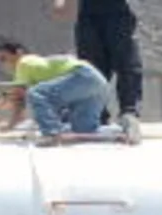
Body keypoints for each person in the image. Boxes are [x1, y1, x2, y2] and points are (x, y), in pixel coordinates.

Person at [0, 37, 117, 143]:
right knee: (83, 130)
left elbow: (18, 100)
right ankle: (118, 137)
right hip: (98, 81)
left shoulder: (23, 63)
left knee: (36, 93)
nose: (3, 65)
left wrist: (11, 125)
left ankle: (52, 134)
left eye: (3, 59)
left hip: (81, 76)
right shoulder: (36, 64)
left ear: (18, 53)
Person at [56, 0, 142, 141]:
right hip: (88, 15)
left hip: (117, 13)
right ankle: (96, 113)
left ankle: (129, 112)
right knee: (91, 67)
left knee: (126, 63)